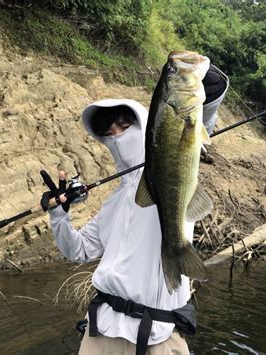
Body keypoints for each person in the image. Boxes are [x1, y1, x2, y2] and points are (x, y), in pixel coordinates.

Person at [42, 63, 228, 354]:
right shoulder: (114, 201)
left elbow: (195, 121)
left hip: (157, 335)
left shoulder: (172, 174)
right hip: (99, 331)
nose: (117, 135)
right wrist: (59, 216)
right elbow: (77, 250)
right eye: (109, 131)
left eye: (125, 125)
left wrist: (206, 85)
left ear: (147, 125)